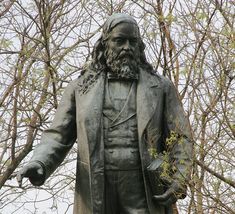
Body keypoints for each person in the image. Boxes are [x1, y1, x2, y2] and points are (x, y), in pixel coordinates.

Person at [17, 13, 193, 214]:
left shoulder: (160, 87)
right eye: (119, 41)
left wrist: (180, 177)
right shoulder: (81, 88)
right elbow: (58, 135)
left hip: (143, 188)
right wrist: (39, 162)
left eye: (132, 41)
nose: (127, 47)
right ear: (105, 44)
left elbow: (181, 137)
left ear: (139, 46)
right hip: (96, 184)